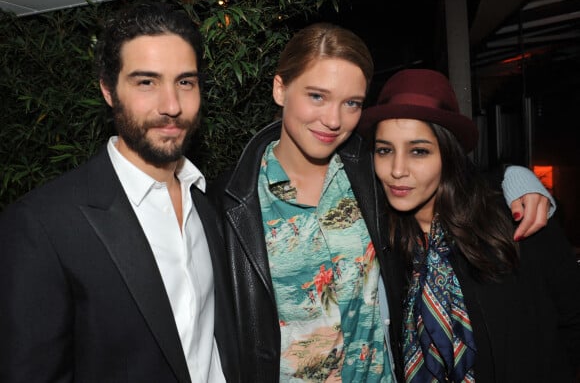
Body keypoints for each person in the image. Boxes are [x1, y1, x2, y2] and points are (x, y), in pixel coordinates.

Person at [207, 22, 556, 382]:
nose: (332, 119)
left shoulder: (370, 175)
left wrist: (515, 177)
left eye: (351, 103)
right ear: (280, 89)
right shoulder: (228, 205)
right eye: (317, 96)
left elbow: (443, 175)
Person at [0, 2, 239, 382]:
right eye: (147, 82)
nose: (172, 106)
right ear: (109, 91)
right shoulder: (43, 224)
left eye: (185, 82)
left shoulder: (207, 201)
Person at [357, 68, 580, 382]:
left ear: (448, 155)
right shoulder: (382, 238)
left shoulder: (517, 220)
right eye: (384, 150)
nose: (397, 170)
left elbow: (572, 320)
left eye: (418, 151)